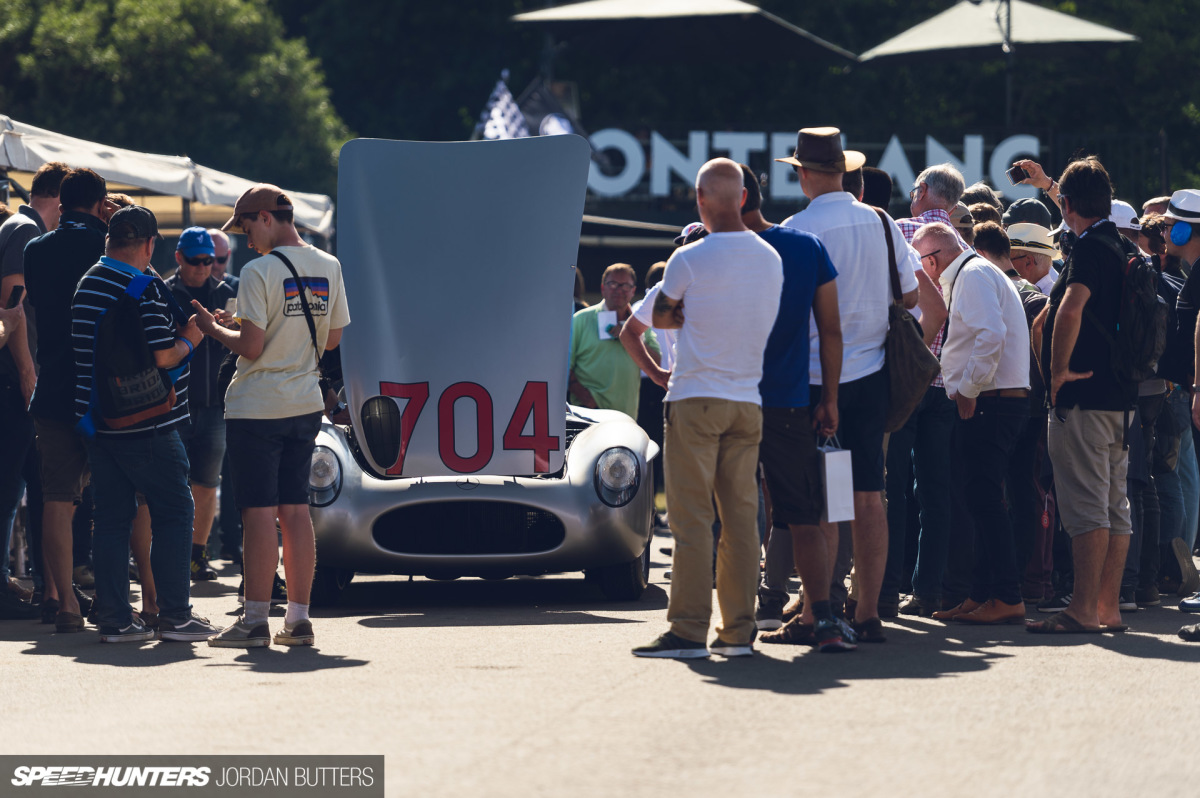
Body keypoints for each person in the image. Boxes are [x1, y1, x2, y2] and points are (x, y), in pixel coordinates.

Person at [631, 158, 782, 659]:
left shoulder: (688, 259)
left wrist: (685, 313)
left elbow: (660, 316)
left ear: (700, 200)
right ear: (743, 198)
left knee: (691, 520)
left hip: (695, 397)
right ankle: (739, 630)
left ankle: (689, 629)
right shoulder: (769, 257)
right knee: (741, 520)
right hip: (748, 400)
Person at [193, 184, 350, 648]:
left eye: (245, 227)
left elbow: (252, 347)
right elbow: (334, 339)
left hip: (258, 405)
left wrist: (212, 328)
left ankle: (254, 620)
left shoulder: (258, 270)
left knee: (258, 514)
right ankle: (298, 619)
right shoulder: (329, 265)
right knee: (296, 511)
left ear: (264, 218)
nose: (245, 239)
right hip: (304, 404)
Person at [780, 127, 919, 642]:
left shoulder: (796, 228)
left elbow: (788, 311)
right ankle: (868, 611)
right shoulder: (882, 222)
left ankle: (821, 608)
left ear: (806, 175)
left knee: (821, 502)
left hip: (817, 381)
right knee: (868, 495)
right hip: (874, 373)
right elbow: (908, 297)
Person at [720, 163, 851, 651]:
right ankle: (824, 620)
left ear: (731, 200)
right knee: (802, 513)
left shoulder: (710, 250)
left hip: (729, 400)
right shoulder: (804, 247)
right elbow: (831, 329)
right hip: (790, 402)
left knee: (733, 515)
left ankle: (735, 624)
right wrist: (831, 396)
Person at [73, 205, 218, 643]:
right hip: (150, 422)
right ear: (151, 244)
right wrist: (194, 336)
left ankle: (116, 619)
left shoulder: (88, 283)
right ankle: (175, 616)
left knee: (112, 520)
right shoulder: (142, 287)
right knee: (175, 512)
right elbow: (165, 355)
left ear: (109, 240)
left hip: (99, 421)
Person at [1027, 157, 1132, 634]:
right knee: (1115, 507)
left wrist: (1056, 372)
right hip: (1121, 399)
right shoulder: (1121, 245)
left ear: (1067, 206)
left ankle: (1082, 610)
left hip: (1083, 398)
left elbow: (1067, 311)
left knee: (1087, 506)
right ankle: (1107, 609)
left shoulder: (1089, 251)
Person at [914, 223, 1031, 624]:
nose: (920, 272)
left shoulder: (973, 274)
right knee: (978, 498)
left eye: (919, 262)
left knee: (983, 499)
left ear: (932, 259)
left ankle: (1005, 596)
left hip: (991, 401)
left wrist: (968, 387)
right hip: (992, 399)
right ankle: (983, 595)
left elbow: (990, 334)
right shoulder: (974, 271)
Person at [23, 168, 113, 632]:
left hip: (54, 384)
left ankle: (62, 603)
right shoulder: (110, 247)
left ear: (60, 203)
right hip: (109, 391)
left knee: (56, 499)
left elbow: (35, 303)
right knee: (121, 498)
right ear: (100, 205)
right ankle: (136, 601)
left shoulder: (36, 248)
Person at [881, 164, 965, 617]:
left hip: (907, 380)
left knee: (893, 489)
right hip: (947, 384)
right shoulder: (966, 248)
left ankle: (886, 590)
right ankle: (928, 590)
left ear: (924, 193)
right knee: (936, 491)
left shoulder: (900, 232)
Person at [0, 161, 68, 620]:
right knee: (10, 488)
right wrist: (28, 372)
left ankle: (49, 590)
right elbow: (13, 305)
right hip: (14, 379)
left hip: (13, 376)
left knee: (31, 484)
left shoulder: (16, 226)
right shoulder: (26, 230)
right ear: (61, 199)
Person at [166, 227, 236, 581]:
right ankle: (169, 553)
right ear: (179, 258)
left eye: (209, 260)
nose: (202, 267)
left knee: (207, 484)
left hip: (213, 407)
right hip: (173, 405)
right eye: (195, 260)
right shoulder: (163, 291)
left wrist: (229, 327)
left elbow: (249, 339)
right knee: (171, 483)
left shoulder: (228, 293)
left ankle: (196, 554)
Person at [569, 263, 660, 418]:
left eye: (625, 285)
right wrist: (584, 397)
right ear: (603, 288)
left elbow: (657, 361)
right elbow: (564, 368)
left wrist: (630, 335)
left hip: (626, 416)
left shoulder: (640, 325)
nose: (619, 290)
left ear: (633, 291)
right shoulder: (580, 319)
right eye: (612, 284)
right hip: (586, 414)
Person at [1007, 223, 1060, 293]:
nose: (1003, 265)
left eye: (1008, 260)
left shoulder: (1048, 299)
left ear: (1028, 262)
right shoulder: (1055, 294)